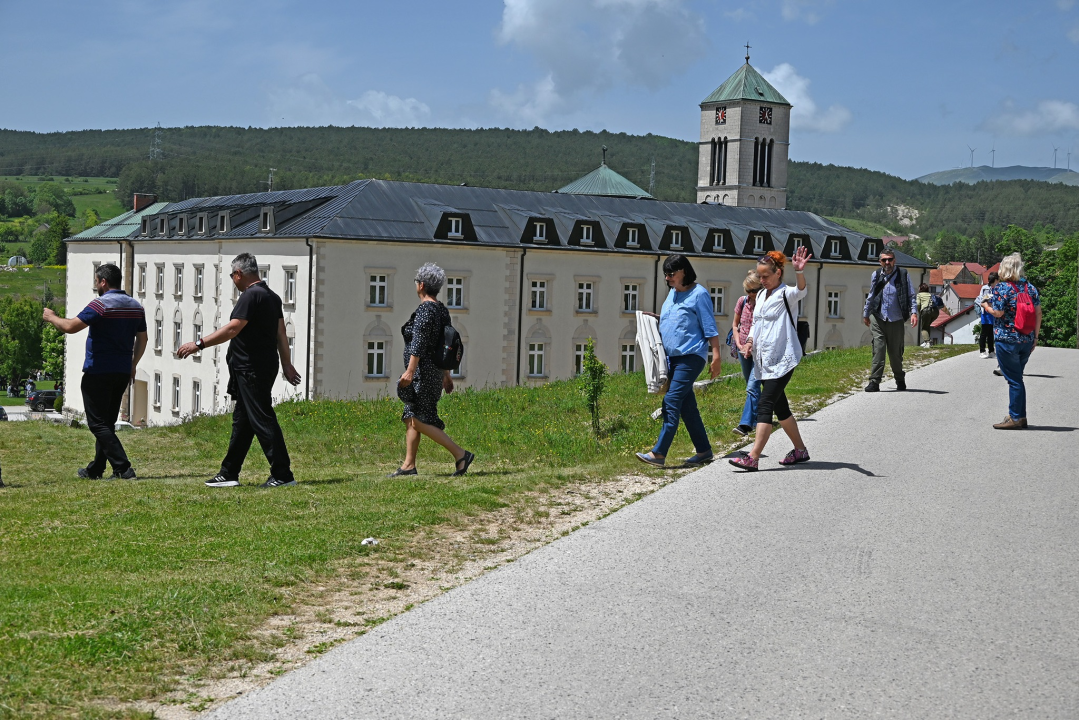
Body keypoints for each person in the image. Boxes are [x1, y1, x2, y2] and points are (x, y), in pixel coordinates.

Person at [177, 253, 301, 487]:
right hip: (263, 366)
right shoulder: (271, 296)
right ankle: (229, 472)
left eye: (232, 276)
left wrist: (198, 344)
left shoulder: (250, 296)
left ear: (239, 274)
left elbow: (233, 329)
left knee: (262, 418)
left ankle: (283, 474)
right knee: (243, 422)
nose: (233, 281)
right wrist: (286, 364)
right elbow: (281, 333)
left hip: (250, 367)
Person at [43, 263, 147, 480]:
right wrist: (133, 364)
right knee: (107, 422)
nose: (95, 285)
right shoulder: (136, 306)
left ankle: (123, 468)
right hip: (121, 371)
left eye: (96, 281)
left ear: (103, 282)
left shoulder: (101, 305)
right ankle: (96, 469)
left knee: (97, 423)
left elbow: (71, 326)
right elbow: (143, 339)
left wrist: (52, 317)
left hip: (98, 370)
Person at [729, 248, 812, 471]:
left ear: (778, 273)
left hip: (783, 358)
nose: (761, 280)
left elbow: (801, 291)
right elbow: (757, 323)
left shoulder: (787, 293)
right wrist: (749, 343)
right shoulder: (763, 295)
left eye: (765, 276)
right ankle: (800, 450)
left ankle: (753, 457)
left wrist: (799, 272)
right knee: (781, 407)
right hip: (764, 360)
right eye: (760, 275)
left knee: (765, 405)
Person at [636, 254, 722, 468]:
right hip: (672, 358)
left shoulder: (699, 294)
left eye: (671, 274)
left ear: (684, 271)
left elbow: (709, 327)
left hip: (691, 356)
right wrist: (655, 319)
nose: (668, 278)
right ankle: (704, 451)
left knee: (672, 400)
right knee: (687, 406)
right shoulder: (672, 294)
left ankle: (659, 453)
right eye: (665, 275)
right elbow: (675, 319)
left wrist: (716, 356)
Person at [390, 263, 474, 477]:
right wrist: (447, 375)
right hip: (434, 372)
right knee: (411, 414)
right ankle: (409, 465)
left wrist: (409, 372)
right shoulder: (441, 310)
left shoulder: (425, 311)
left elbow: (418, 343)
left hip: (422, 373)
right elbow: (445, 343)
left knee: (420, 419)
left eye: (417, 282)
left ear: (422, 285)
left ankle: (460, 454)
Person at [981, 254, 1041, 429]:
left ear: (1004, 269)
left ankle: (1016, 417)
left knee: (1014, 380)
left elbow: (998, 313)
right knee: (1017, 378)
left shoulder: (1002, 288)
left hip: (1007, 339)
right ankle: (1018, 415)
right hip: (1026, 339)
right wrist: (1035, 338)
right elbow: (1038, 313)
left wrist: (985, 306)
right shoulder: (1030, 288)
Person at [862, 248, 918, 392]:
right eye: (884, 260)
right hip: (878, 317)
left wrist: (913, 313)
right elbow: (872, 294)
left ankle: (899, 378)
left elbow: (911, 295)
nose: (887, 262)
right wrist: (866, 313)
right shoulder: (876, 274)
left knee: (895, 354)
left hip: (896, 318)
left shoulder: (903, 274)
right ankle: (874, 382)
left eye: (890, 259)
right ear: (880, 262)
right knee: (878, 349)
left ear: (895, 260)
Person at [731, 270, 762, 437]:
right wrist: (738, 343)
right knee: (753, 386)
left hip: (759, 352)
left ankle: (745, 424)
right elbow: (735, 325)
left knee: (752, 386)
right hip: (743, 349)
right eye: (748, 291)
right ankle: (764, 416)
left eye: (754, 290)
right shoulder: (742, 302)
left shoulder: (765, 304)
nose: (751, 294)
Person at [976, 271, 999, 359]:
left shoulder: (998, 288)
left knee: (991, 333)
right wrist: (988, 297)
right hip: (986, 312)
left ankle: (991, 351)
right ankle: (982, 351)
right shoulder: (985, 288)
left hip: (993, 312)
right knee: (984, 333)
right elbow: (981, 299)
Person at [915, 283, 939, 347]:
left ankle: (928, 342)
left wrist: (919, 312)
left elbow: (918, 304)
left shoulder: (919, 295)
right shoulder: (930, 294)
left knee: (924, 328)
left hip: (926, 311)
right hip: (935, 311)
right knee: (927, 325)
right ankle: (926, 341)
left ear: (920, 289)